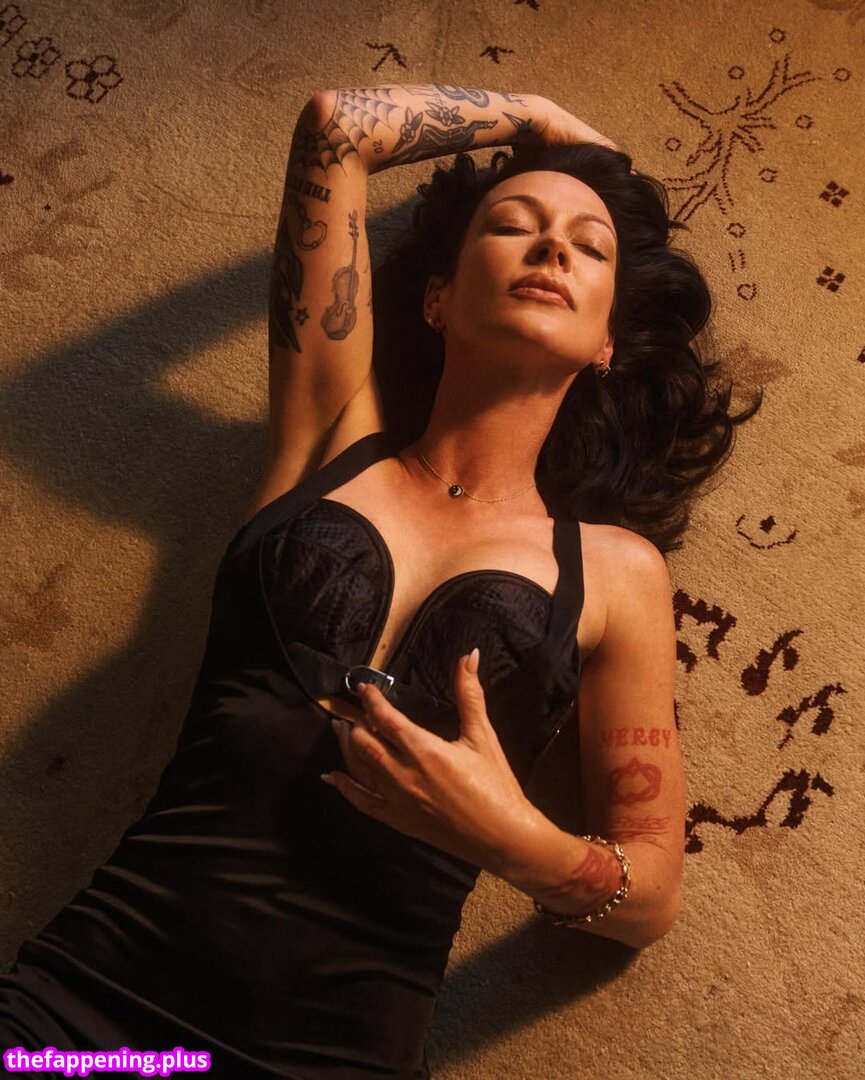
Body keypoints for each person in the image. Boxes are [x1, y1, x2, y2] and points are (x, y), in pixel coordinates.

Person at [0, 84, 762, 1078]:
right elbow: (337, 130)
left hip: (333, 1057)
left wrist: (513, 839)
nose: (552, 247)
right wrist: (538, 119)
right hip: (80, 1015)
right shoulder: (331, 440)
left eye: (590, 247)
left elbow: (650, 894)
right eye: (513, 225)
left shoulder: (615, 573)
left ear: (607, 341)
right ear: (436, 298)